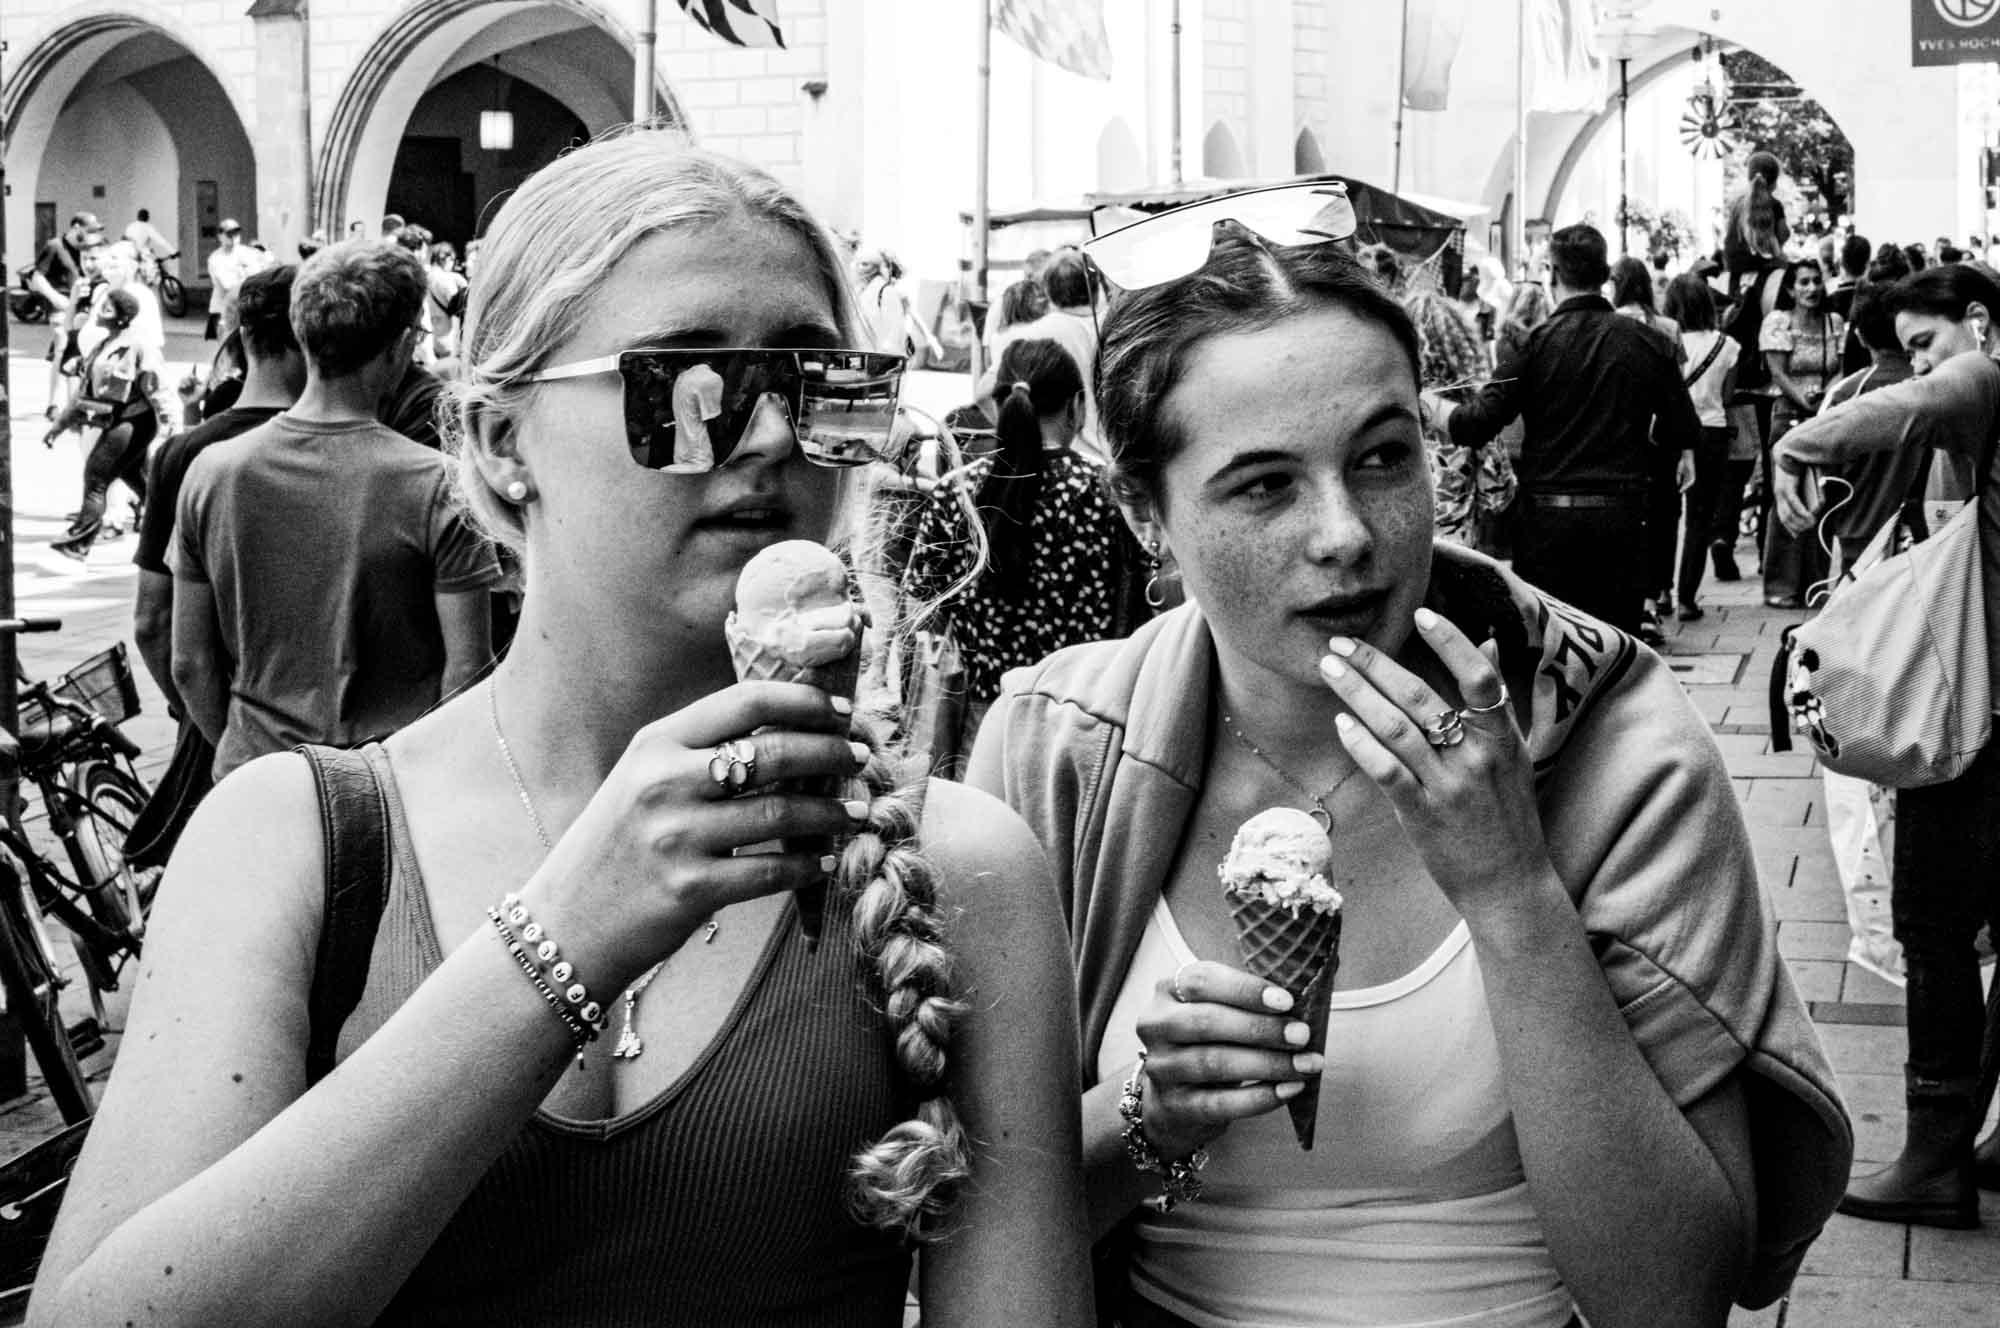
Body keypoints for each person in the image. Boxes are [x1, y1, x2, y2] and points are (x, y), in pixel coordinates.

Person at [30, 133, 1092, 1326]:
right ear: (497, 437)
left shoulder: (961, 867)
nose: (769, 440)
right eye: (683, 388)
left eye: (816, 386)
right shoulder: (293, 840)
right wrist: (562, 940)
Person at [968, 221, 1850, 1328]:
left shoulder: (1615, 747)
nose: (1344, 534)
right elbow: (970, 1242)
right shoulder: (1055, 753)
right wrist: (1148, 1117)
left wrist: (1510, 890)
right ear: (1146, 511)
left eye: (1382, 456)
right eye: (1261, 486)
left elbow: (1671, 1295)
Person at [1771, 263, 2000, 1232]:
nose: (1917, 363)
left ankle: (1932, 1159)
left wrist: (1793, 440)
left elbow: (1924, 400)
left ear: (1976, 321)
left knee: (1933, 925)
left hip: (1983, 728)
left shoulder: (1983, 376)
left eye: (1922, 340)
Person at [169, 242, 499, 778]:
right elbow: (467, 673)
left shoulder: (213, 472)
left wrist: (240, 754)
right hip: (389, 781)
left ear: (303, 336)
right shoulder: (438, 485)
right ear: (397, 350)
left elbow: (189, 663)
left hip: (257, 775)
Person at [1434, 224, 1700, 634]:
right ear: (1605, 274)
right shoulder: (1649, 343)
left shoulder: (1534, 346)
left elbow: (1472, 424)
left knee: (1553, 649)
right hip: (1622, 522)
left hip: (1548, 527)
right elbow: (1681, 427)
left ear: (1552, 275)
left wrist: (1422, 400)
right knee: (1616, 648)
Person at [898, 336, 1149, 764]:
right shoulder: (1108, 494)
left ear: (997, 408)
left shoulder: (955, 492)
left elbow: (921, 605)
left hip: (980, 721)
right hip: (1085, 719)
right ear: (1076, 408)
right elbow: (1140, 601)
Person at [134, 266, 305, 710]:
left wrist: (201, 722)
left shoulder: (182, 455)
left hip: (224, 717)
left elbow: (153, 622)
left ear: (242, 337)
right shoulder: (352, 442)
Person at [42, 289, 170, 562]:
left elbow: (156, 387)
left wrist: (169, 422)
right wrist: (58, 427)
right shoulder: (102, 347)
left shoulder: (138, 345)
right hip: (113, 419)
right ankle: (172, 525)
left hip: (135, 420)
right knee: (137, 477)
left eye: (108, 310)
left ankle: (78, 543)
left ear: (123, 318)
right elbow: (83, 396)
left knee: (97, 477)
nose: (99, 312)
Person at [1757, 257, 1846, 608]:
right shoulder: (1778, 322)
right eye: (1803, 282)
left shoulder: (1833, 322)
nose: (1811, 288)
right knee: (1788, 495)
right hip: (1789, 415)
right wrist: (1805, 402)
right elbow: (1777, 373)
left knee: (1821, 496)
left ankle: (1815, 579)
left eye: (1816, 281)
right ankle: (1781, 585)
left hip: (1823, 415)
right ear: (1791, 289)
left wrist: (1828, 398)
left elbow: (1840, 368)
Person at [1610, 256, 1687, 644]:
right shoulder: (1669, 329)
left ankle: (1634, 600)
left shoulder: (1608, 327)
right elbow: (1679, 386)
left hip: (1621, 440)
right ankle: (1657, 595)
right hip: (1662, 441)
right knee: (1662, 517)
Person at [1662, 274, 1740, 621]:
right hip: (1711, 432)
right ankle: (1687, 599)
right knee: (1700, 519)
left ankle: (1660, 592)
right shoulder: (1728, 345)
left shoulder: (1664, 340)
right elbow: (1726, 397)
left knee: (1664, 515)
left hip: (1668, 433)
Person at [1009, 249, 1102, 452]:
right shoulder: (1118, 326)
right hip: (1120, 459)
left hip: (1062, 454)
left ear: (1048, 289)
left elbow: (986, 393)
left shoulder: (1032, 335)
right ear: (1095, 288)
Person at [29, 213, 101, 415]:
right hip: (61, 307)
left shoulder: (86, 250)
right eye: (88, 230)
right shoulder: (55, 246)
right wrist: (55, 299)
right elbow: (37, 278)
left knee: (76, 353)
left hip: (81, 306)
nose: (91, 235)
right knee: (62, 345)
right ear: (76, 227)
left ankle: (73, 404)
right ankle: (54, 404)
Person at [854, 248, 942, 363]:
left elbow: (914, 316)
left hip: (891, 346)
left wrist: (931, 340)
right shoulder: (866, 290)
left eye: (885, 266)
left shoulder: (894, 292)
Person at [1722, 150, 1789, 296]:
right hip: (1768, 278)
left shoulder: (1736, 204)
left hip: (1736, 278)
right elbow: (1784, 234)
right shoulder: (1775, 206)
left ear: (1749, 177)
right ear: (1775, 181)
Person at [204, 218, 260, 341]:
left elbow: (259, 274)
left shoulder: (247, 252)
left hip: (245, 308)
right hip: (224, 310)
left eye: (236, 232)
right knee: (229, 350)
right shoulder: (216, 259)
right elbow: (227, 286)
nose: (234, 237)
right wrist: (245, 274)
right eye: (229, 233)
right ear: (220, 236)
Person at [426, 240, 469, 362]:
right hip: (448, 339)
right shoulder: (446, 280)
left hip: (432, 338)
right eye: (453, 260)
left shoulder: (426, 277)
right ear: (447, 258)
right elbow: (460, 307)